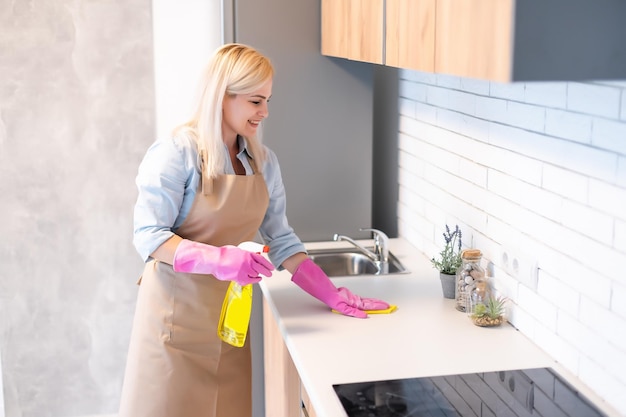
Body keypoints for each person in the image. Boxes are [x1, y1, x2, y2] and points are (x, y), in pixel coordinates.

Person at [118, 43, 390, 417]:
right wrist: (217, 258)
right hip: (173, 324)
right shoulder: (176, 154)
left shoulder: (262, 163)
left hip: (229, 324)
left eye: (267, 101)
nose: (264, 112)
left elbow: (281, 239)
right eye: (255, 101)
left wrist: (330, 293)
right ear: (222, 98)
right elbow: (150, 236)